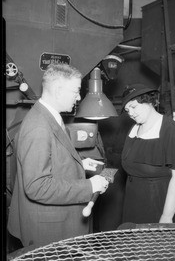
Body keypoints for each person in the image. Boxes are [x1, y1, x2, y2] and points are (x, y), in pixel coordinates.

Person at [7, 63, 109, 248]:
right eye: (76, 91)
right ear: (58, 90)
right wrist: (89, 185)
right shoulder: (38, 127)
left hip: (51, 221)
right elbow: (37, 186)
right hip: (47, 231)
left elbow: (52, 156)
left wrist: (80, 163)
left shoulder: (48, 116)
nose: (78, 97)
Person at [120, 83, 175, 224]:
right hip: (133, 203)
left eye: (133, 107)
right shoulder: (134, 129)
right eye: (127, 110)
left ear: (149, 101)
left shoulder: (169, 129)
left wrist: (167, 216)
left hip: (159, 206)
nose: (131, 113)